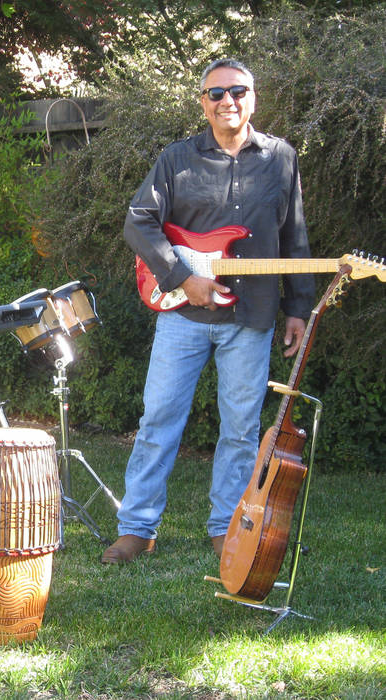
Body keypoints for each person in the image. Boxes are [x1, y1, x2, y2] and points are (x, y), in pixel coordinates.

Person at [101, 58, 315, 564]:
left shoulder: (281, 158)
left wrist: (298, 307)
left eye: (237, 91)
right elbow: (139, 221)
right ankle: (137, 528)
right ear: (203, 102)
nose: (227, 101)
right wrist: (183, 278)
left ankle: (226, 527)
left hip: (252, 316)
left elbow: (294, 237)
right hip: (184, 315)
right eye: (216, 93)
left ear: (253, 99)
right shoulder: (177, 159)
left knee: (240, 430)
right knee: (158, 421)